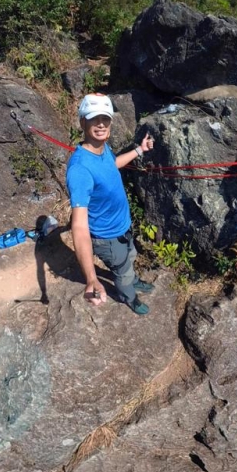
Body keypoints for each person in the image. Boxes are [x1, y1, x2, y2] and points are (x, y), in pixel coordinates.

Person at [66, 93, 155, 315]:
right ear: (82, 122)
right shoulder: (79, 169)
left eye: (105, 118)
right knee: (122, 270)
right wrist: (91, 278)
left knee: (130, 256)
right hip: (107, 237)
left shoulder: (101, 148)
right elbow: (79, 226)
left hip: (122, 226)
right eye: (94, 118)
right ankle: (129, 296)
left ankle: (132, 279)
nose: (101, 124)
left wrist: (139, 150)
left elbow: (112, 165)